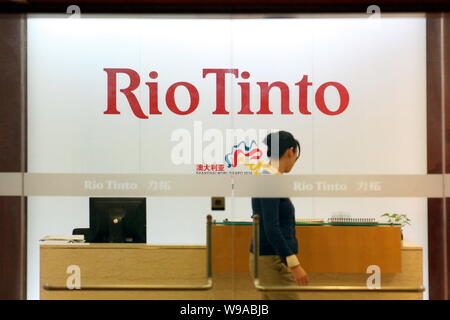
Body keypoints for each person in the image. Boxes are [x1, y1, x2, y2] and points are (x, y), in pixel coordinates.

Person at [249, 130, 309, 300]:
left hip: (267, 258)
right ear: (290, 152)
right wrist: (294, 264)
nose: (294, 163)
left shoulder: (268, 177)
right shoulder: (270, 180)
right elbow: (271, 227)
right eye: (296, 158)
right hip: (271, 260)